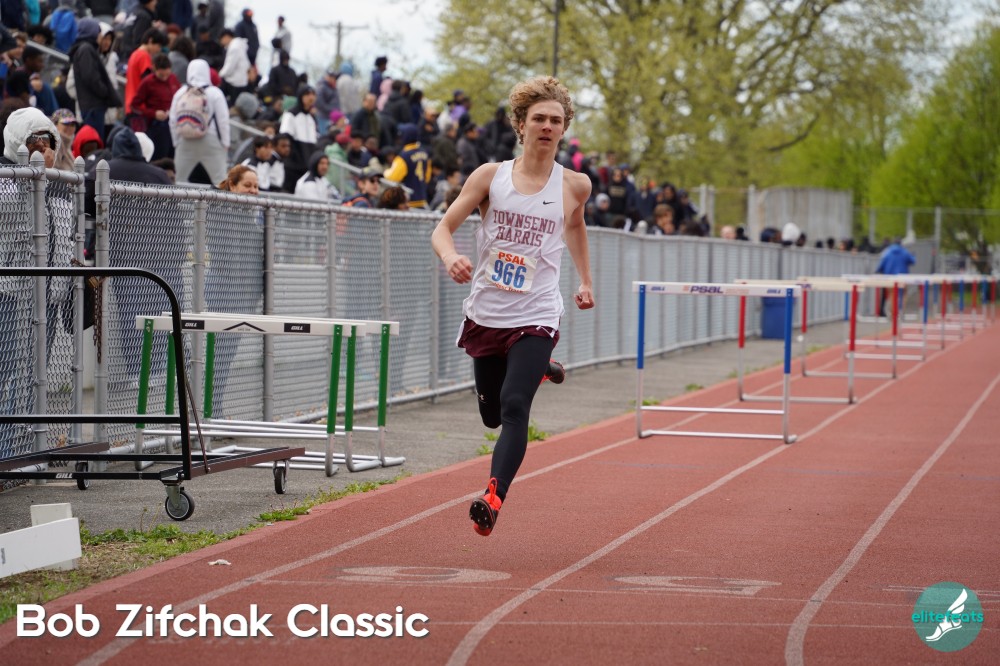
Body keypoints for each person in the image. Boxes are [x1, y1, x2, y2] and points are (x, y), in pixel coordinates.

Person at [430, 76, 594, 537]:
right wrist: (451, 256)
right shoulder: (490, 177)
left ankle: (493, 497)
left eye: (556, 120)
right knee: (491, 417)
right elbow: (441, 229)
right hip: (488, 312)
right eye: (539, 118)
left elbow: (576, 227)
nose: (547, 126)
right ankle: (542, 369)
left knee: (515, 405)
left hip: (537, 313)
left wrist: (585, 279)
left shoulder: (575, 185)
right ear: (520, 124)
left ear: (564, 129)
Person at [169, 58, 229, 186]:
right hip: (210, 140)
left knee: (179, 180)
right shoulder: (215, 93)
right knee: (221, 181)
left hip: (185, 140)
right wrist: (225, 143)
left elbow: (172, 120)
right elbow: (223, 120)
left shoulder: (180, 93)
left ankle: (177, 200)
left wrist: (176, 142)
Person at [875, 237, 915, 316]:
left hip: (890, 277)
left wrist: (878, 271)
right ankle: (901, 311)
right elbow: (912, 261)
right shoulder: (904, 252)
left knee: (892, 294)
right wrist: (913, 255)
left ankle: (893, 313)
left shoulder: (887, 252)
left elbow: (882, 264)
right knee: (903, 294)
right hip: (903, 277)